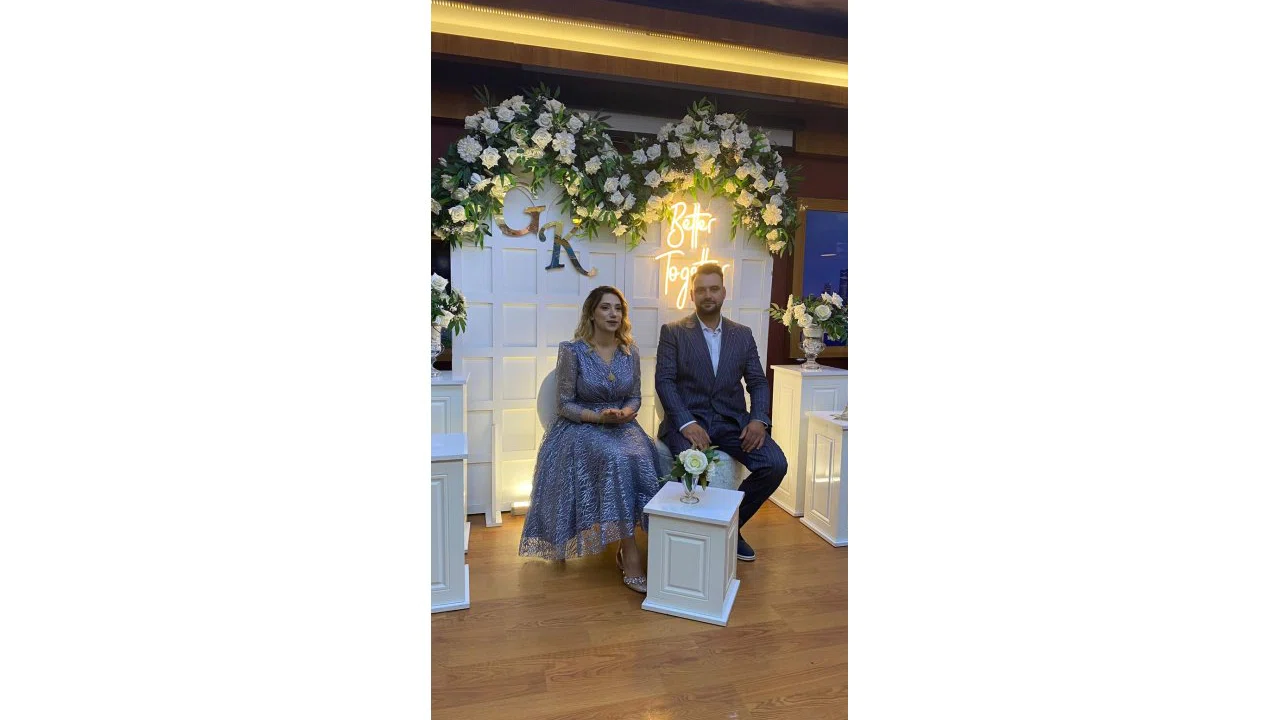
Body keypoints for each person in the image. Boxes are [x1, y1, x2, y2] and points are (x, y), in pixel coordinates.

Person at [518, 285, 661, 593]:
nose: (613, 314)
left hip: (621, 424)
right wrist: (598, 417)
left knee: (642, 456)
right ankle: (630, 552)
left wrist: (625, 412)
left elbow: (635, 397)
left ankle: (655, 543)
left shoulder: (630, 351)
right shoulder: (573, 351)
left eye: (618, 309)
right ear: (592, 314)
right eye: (605, 307)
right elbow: (564, 404)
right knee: (617, 459)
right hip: (581, 426)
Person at [655, 263, 787, 562]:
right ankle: (688, 545)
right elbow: (665, 381)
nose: (708, 295)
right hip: (688, 423)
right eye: (701, 290)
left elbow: (757, 382)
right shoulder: (673, 332)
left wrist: (758, 419)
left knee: (775, 464)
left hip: (732, 423)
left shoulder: (742, 334)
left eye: (714, 289)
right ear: (692, 294)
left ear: (724, 292)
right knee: (692, 469)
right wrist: (686, 422)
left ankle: (730, 526)